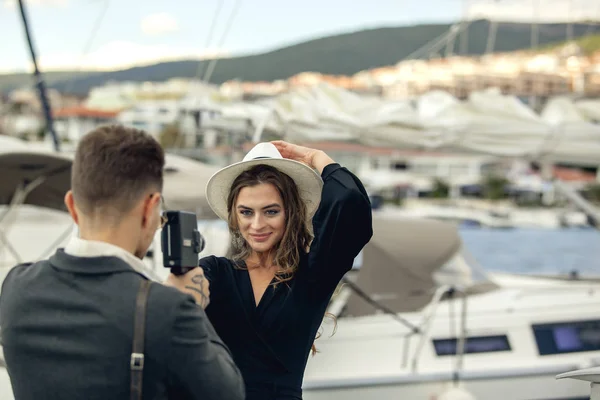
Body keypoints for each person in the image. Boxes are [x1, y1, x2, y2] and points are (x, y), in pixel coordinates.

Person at [0, 125, 245, 400]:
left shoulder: (15, 288)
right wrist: (192, 307)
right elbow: (230, 393)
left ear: (71, 206)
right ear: (149, 208)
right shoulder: (169, 310)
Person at [200, 140, 373, 400]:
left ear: (290, 213)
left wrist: (315, 156)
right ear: (235, 217)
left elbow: (349, 202)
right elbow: (175, 306)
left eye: (270, 211)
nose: (257, 224)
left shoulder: (314, 275)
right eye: (246, 212)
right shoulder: (215, 271)